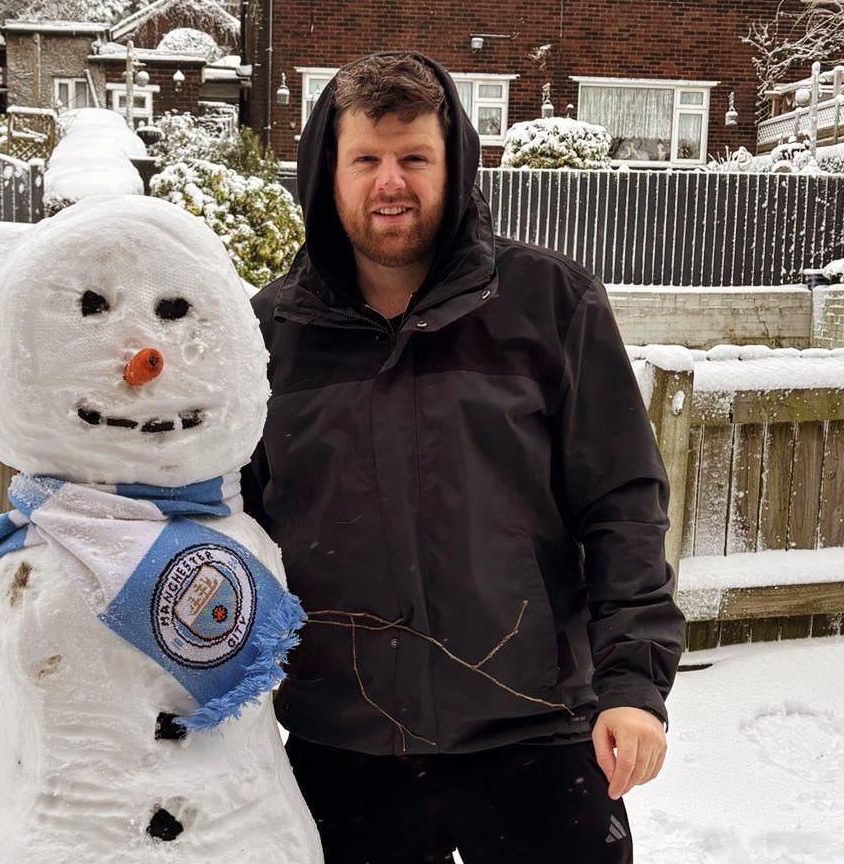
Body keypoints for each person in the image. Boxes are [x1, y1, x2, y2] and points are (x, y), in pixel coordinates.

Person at [240, 52, 684, 864]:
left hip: (540, 734)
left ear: (456, 163)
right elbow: (226, 531)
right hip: (344, 752)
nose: (390, 183)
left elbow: (622, 506)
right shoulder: (264, 338)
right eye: (366, 159)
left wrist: (633, 686)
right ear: (324, 170)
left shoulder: (548, 303)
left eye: (415, 158)